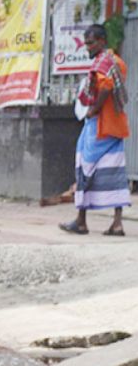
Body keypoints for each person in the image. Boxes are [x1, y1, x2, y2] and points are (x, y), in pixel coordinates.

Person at [60, 24, 131, 236]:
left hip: (99, 127)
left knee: (84, 170)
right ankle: (117, 224)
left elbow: (107, 86)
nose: (87, 47)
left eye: (90, 43)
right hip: (115, 127)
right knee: (115, 171)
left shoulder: (103, 62)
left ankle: (81, 221)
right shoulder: (118, 62)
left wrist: (93, 110)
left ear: (101, 41)